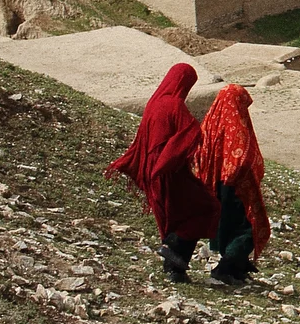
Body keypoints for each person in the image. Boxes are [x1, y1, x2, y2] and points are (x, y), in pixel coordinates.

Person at [107, 62, 218, 284]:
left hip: (151, 171)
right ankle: (174, 245)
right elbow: (191, 131)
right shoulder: (175, 105)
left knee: (172, 217)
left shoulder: (154, 103)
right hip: (169, 171)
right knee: (209, 208)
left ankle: (174, 270)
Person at [191, 82, 270, 287]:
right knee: (248, 228)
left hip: (215, 184)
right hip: (235, 186)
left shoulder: (211, 121)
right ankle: (225, 269)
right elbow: (242, 158)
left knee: (228, 226)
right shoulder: (237, 124)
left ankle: (237, 267)